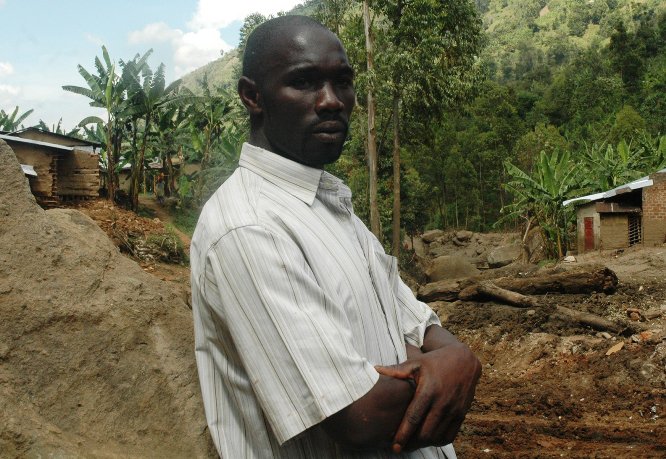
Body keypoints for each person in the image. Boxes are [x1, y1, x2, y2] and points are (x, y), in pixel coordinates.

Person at [190, 15, 481, 459]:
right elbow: (360, 417)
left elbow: (413, 323)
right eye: (304, 82)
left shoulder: (330, 207)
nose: (331, 101)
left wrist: (451, 352)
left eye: (342, 82)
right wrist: (456, 367)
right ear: (253, 96)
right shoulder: (248, 227)